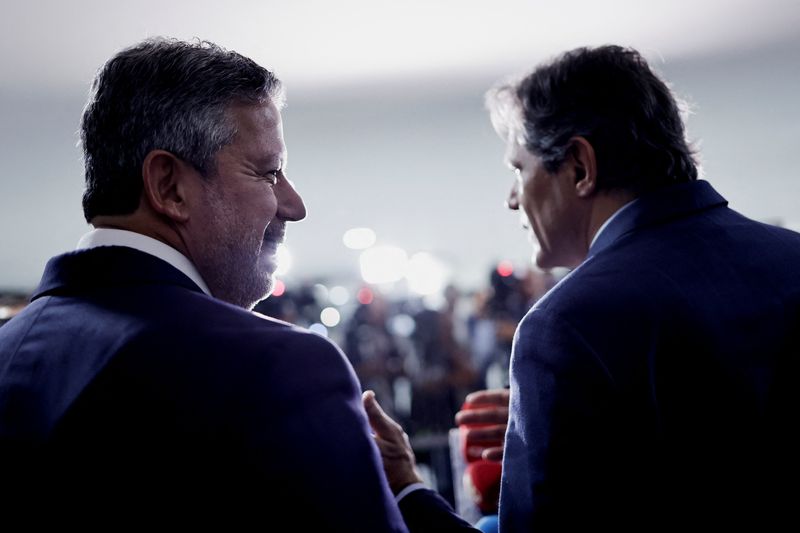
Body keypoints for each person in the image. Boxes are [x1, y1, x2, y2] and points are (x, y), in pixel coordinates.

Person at [370, 44, 800, 530]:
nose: (513, 200)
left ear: (578, 166)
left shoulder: (567, 323)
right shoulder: (793, 256)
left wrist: (406, 486)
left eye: (519, 169)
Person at [0, 38, 410, 529]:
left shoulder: (9, 353)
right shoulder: (275, 367)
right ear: (169, 187)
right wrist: (409, 493)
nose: (294, 205)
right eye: (269, 173)